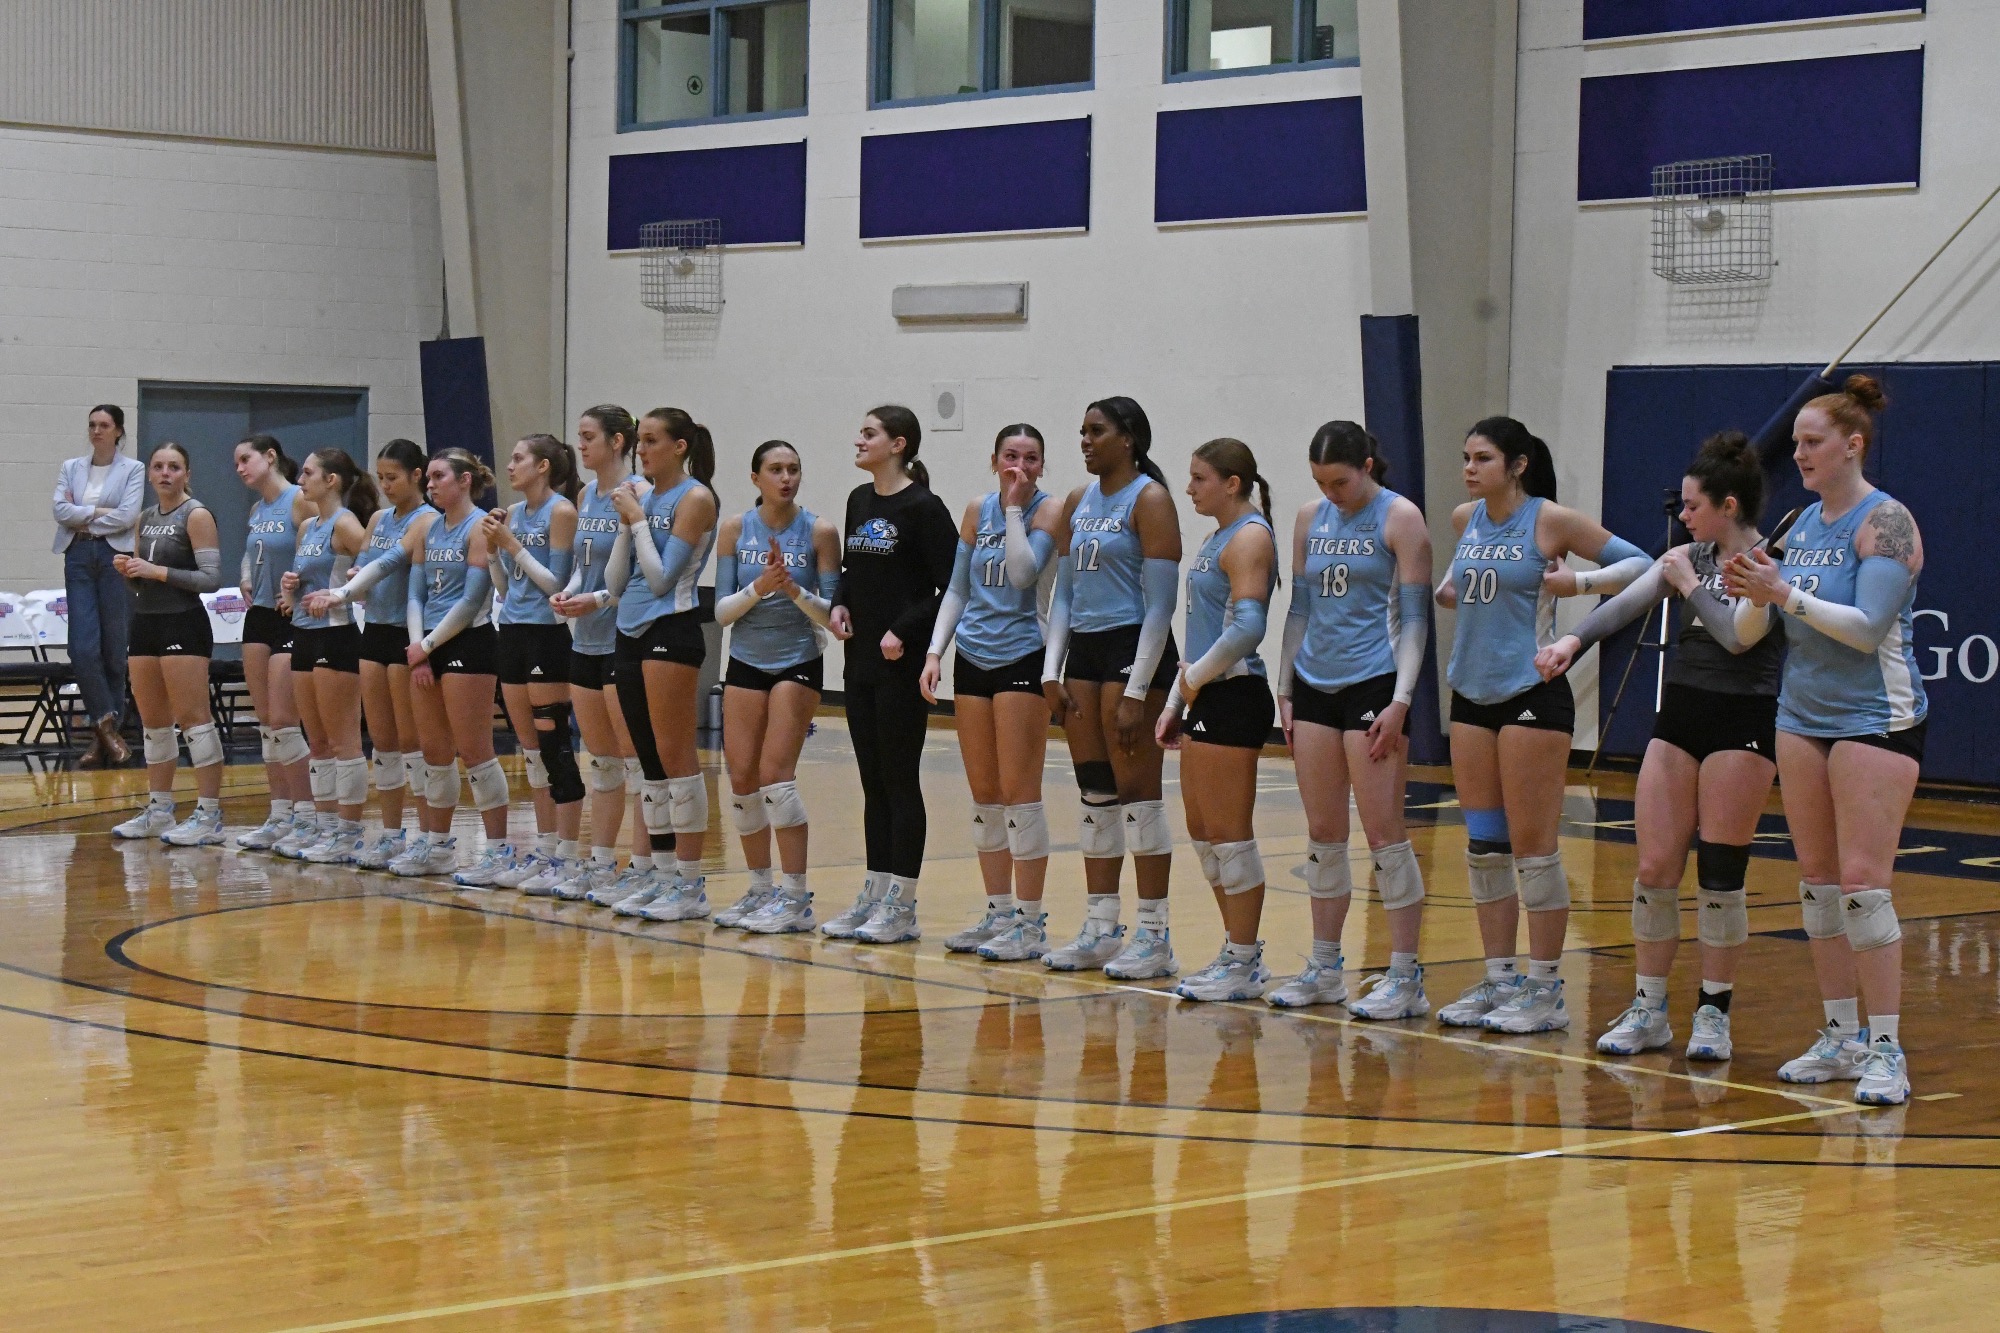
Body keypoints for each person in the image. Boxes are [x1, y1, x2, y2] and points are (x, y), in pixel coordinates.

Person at [1536, 432, 1780, 1061]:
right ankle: (1649, 1008)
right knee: (1654, 868)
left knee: (1720, 876)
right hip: (1682, 716)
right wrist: (1573, 643)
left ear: (1728, 506)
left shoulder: (1767, 565)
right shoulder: (1689, 555)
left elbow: (1737, 640)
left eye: (1693, 505)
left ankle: (1712, 1013)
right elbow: (1625, 606)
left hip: (1744, 719)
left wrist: (1691, 587)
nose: (1683, 516)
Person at [1724, 374, 1924, 1106]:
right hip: (1801, 716)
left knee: (1866, 885)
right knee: (1820, 885)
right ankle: (1840, 1036)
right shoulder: (1797, 527)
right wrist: (1752, 596)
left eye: (1812, 442)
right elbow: (1754, 634)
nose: (1799, 454)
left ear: (1852, 445)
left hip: (1874, 719)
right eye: (1798, 443)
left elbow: (1867, 627)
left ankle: (1886, 1049)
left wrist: (1784, 594)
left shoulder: (1887, 522)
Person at [1435, 416, 1651, 1034]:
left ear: (1517, 464)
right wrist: (1453, 588)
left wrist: (1579, 582)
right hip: (1471, 693)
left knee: (1534, 849)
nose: (1469, 468)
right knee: (1484, 846)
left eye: (1481, 458)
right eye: (1466, 457)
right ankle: (1499, 976)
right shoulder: (1464, 519)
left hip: (1532, 692)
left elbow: (1642, 566)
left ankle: (1546, 987)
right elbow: (1463, 581)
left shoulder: (1551, 520)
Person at [1268, 422, 1434, 1015]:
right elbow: (1300, 607)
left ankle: (1406, 975)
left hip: (1375, 682)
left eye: (1340, 480)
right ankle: (1323, 968)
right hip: (1314, 682)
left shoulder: (1401, 518)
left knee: (1385, 834)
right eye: (1320, 482)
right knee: (1322, 833)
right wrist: (1284, 686)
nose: (1331, 492)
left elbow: (1416, 620)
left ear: (1367, 465)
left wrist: (1402, 699)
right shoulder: (1310, 517)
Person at [1039, 397, 1183, 979]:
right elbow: (1065, 594)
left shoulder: (1150, 499)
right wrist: (1051, 670)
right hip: (1084, 651)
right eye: (1082, 432)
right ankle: (1101, 927)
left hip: (1133, 649)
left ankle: (1154, 934)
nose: (1085, 440)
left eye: (1096, 431)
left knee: (1137, 795)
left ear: (1129, 438)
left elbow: (1161, 604)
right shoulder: (1077, 501)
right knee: (1095, 792)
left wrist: (1137, 688)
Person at [923, 424, 1064, 960]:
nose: (1020, 467)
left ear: (1041, 467)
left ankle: (1030, 923)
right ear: (993, 458)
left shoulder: (1047, 511)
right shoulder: (973, 509)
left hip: (1023, 655)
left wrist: (1013, 508)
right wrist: (936, 652)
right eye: (1011, 456)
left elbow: (1024, 574)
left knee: (1018, 792)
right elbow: (959, 586)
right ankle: (999, 912)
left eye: (1031, 458)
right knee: (984, 793)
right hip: (973, 658)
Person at [820, 405, 957, 944]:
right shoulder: (859, 500)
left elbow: (947, 586)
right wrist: (838, 603)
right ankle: (875, 892)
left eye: (869, 433)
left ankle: (903, 903)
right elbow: (856, 571)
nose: (859, 439)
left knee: (900, 780)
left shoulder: (924, 507)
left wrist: (905, 629)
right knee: (871, 782)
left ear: (898, 444)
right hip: (860, 663)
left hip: (901, 664)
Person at [1154, 439, 1279, 1001]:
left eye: (1199, 478)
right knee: (1205, 833)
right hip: (1205, 695)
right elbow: (1205, 628)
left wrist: (1193, 680)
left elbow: (1247, 631)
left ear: (1232, 483)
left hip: (1236, 694)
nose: (1189, 489)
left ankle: (1246, 959)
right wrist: (1177, 703)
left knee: (1230, 836)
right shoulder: (1215, 538)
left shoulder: (1251, 536)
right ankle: (1235, 951)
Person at [712, 440, 842, 933]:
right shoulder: (734, 529)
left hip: (797, 661)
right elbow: (721, 613)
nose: (786, 477)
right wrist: (759, 588)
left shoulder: (820, 532)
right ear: (755, 478)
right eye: (775, 469)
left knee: (775, 777)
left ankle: (796, 898)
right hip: (745, 660)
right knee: (742, 777)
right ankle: (759, 888)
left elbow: (833, 617)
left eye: (794, 468)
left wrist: (792, 589)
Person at [606, 407, 720, 921]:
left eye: (651, 440)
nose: (641, 450)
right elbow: (618, 579)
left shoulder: (695, 497)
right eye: (638, 442)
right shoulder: (645, 497)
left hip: (670, 630)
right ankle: (659, 874)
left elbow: (660, 579)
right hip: (628, 630)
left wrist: (635, 520)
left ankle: (691, 886)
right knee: (646, 763)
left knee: (677, 760)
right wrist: (629, 522)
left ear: (679, 446)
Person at [306, 440, 434, 869]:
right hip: (373, 631)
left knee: (413, 742)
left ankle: (428, 836)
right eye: (380, 477)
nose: (385, 485)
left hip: (405, 633)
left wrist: (347, 587)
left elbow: (390, 564)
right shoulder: (378, 518)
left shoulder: (427, 519)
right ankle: (393, 834)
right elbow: (363, 564)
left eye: (393, 477)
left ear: (418, 475)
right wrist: (346, 583)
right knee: (383, 742)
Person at [548, 406, 652, 903]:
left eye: (589, 437)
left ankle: (646, 866)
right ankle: (600, 862)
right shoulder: (587, 494)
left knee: (635, 763)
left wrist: (599, 600)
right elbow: (582, 568)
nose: (581, 446)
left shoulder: (640, 494)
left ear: (617, 442)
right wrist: (569, 594)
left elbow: (639, 573)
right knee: (603, 763)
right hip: (584, 638)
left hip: (621, 637)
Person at [473, 435, 582, 890]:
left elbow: (555, 583)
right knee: (531, 753)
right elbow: (503, 586)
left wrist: (511, 544)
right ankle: (545, 848)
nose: (510, 466)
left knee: (555, 747)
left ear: (542, 466)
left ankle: (569, 857)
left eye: (518, 459)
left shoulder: (561, 511)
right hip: (511, 632)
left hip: (546, 636)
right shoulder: (514, 515)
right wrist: (496, 552)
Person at [391, 449, 504, 880]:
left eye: (439, 476)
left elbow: (473, 600)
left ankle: (497, 852)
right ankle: (437, 847)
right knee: (433, 752)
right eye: (430, 477)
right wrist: (419, 647)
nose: (431, 484)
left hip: (468, 643)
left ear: (465, 481)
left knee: (475, 751)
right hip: (427, 645)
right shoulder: (427, 528)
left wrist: (429, 644)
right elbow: (415, 594)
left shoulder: (479, 528)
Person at [108, 442, 224, 843]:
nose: (165, 473)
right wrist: (129, 570)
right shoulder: (144, 518)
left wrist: (155, 571)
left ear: (187, 473)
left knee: (194, 720)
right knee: (154, 724)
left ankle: (209, 814)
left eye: (174, 467)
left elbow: (210, 579)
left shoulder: (197, 514)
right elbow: (145, 576)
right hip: (146, 623)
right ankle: (159, 810)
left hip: (184, 625)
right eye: (158, 466)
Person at [278, 449, 377, 862]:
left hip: (336, 636)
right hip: (304, 635)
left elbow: (376, 566)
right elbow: (304, 585)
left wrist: (344, 590)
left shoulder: (347, 523)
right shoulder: (307, 528)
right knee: (315, 739)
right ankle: (324, 826)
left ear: (332, 480)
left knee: (342, 740)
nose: (300, 478)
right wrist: (290, 588)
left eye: (307, 472)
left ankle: (348, 831)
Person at [231, 435, 315, 850]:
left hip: (291, 617)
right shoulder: (256, 508)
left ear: (270, 457)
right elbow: (254, 550)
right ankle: (279, 814)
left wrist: (297, 585)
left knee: (285, 719)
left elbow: (327, 547)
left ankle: (307, 813)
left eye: (246, 459)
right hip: (259, 615)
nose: (240, 468)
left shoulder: (300, 500)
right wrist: (246, 573)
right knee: (267, 725)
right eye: (236, 463)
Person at [52, 404, 145, 767]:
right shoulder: (71, 467)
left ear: (118, 431)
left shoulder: (133, 469)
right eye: (92, 424)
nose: (96, 430)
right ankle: (108, 729)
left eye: (104, 425)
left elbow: (128, 516)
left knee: (113, 650)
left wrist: (85, 514)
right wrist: (103, 513)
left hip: (114, 558)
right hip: (77, 555)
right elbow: (60, 510)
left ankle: (102, 737)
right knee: (82, 647)